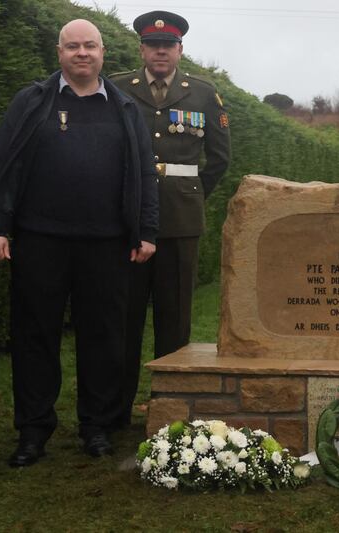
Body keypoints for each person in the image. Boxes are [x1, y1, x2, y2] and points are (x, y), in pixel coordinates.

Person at [0, 19, 158, 466]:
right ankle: (33, 431)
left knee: (103, 338)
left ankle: (96, 427)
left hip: (106, 244)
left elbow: (143, 174)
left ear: (103, 53)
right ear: (59, 53)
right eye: (73, 46)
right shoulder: (33, 101)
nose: (82, 53)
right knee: (34, 337)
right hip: (40, 241)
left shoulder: (124, 107)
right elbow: (3, 164)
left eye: (90, 46)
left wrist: (146, 231)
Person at [110, 11, 231, 429]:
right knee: (123, 317)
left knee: (174, 316)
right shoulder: (119, 88)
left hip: (181, 220)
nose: (160, 51)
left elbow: (219, 159)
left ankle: (171, 410)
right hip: (126, 219)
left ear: (180, 49)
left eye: (168, 45)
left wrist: (191, 195)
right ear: (141, 49)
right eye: (152, 45)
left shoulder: (202, 93)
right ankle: (116, 410)